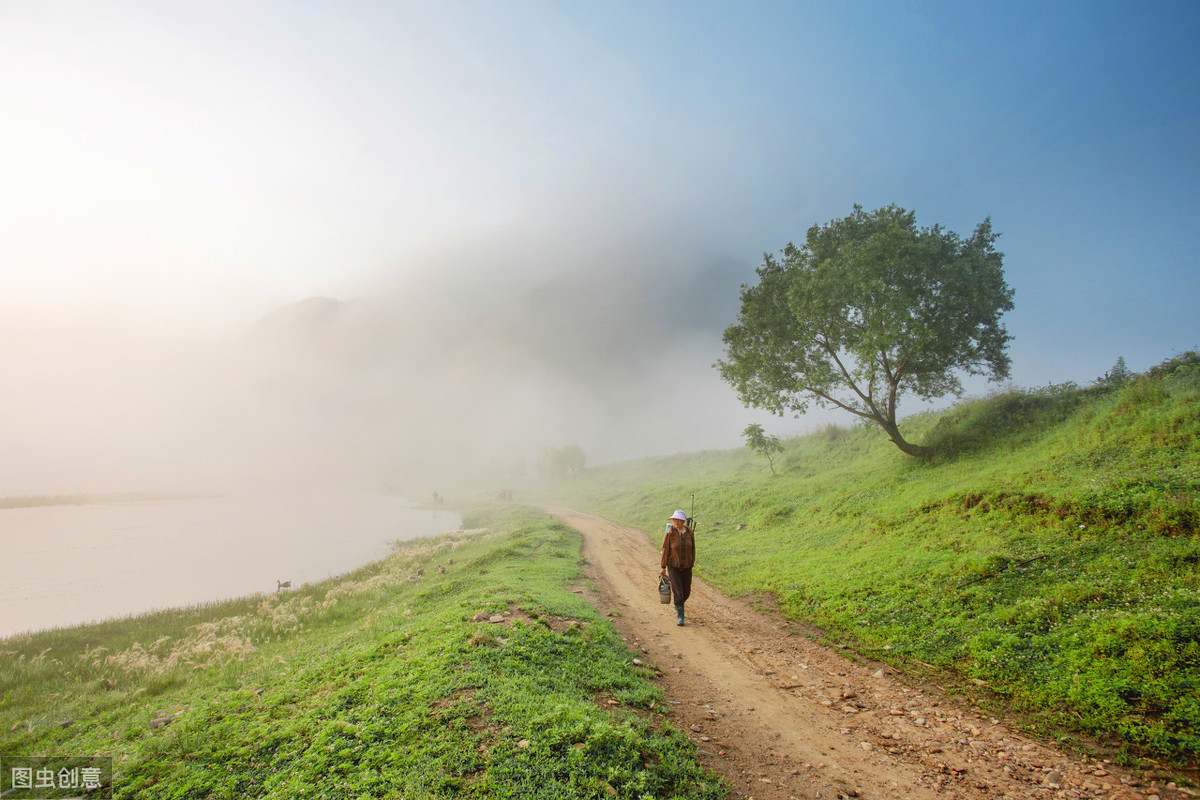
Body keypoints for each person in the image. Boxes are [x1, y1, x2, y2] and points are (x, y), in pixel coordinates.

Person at [659, 509, 695, 626]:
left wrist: (691, 562)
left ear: (683, 521)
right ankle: (680, 616)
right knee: (678, 592)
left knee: (686, 592)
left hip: (687, 567)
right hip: (673, 566)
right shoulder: (670, 533)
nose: (676, 522)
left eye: (678, 520)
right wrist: (663, 567)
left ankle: (679, 605)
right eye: (674, 520)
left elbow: (693, 548)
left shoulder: (689, 532)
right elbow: (665, 550)